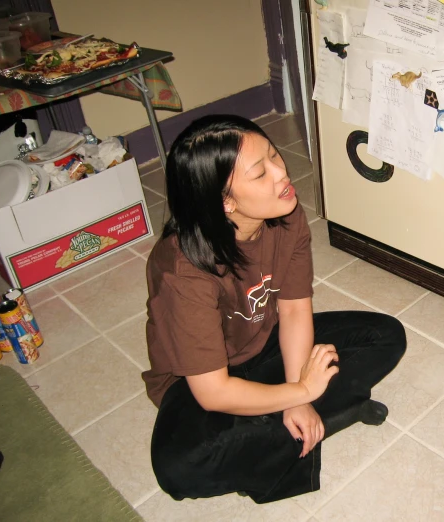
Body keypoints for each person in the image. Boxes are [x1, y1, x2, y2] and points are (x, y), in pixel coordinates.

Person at [142, 115, 406, 504]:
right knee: (179, 468)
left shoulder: (284, 214)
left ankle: (291, 425)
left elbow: (296, 311)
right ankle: (324, 416)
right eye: (260, 173)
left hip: (265, 345)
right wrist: (300, 389)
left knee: (385, 337)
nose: (281, 174)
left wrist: (298, 395)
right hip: (199, 381)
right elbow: (213, 392)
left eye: (274, 156)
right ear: (225, 201)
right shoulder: (182, 271)